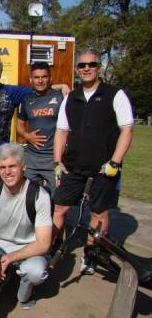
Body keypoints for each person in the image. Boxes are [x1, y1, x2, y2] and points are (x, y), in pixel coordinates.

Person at [52, 49, 133, 274]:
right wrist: (57, 162)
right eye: (82, 65)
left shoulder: (115, 95)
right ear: (77, 70)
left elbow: (126, 130)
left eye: (92, 64)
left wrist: (115, 163)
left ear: (99, 67)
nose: (86, 68)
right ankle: (50, 247)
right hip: (73, 165)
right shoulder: (71, 97)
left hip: (104, 167)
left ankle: (91, 255)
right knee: (59, 208)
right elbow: (61, 131)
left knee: (99, 213)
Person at [0, 142, 52, 309]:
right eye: (2, 167)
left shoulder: (39, 195)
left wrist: (9, 259)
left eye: (12, 166)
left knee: (36, 272)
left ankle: (25, 291)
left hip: (28, 246)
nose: (7, 172)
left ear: (23, 167)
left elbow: (44, 244)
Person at [0, 56, 69, 142]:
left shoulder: (10, 91)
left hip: (1, 147)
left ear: (0, 74)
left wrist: (61, 86)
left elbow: (37, 88)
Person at [16, 62, 64, 194]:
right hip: (32, 159)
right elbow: (19, 126)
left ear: (50, 78)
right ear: (31, 79)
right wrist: (26, 136)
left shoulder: (61, 97)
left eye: (44, 76)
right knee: (28, 197)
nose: (40, 80)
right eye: (36, 77)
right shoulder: (26, 100)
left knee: (58, 199)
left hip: (54, 159)